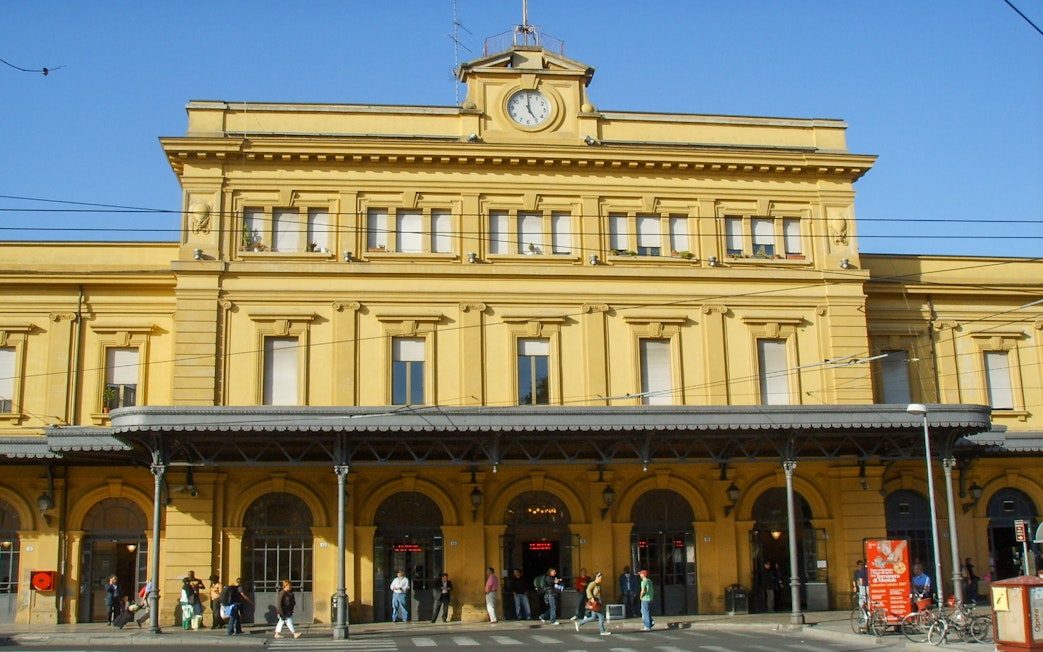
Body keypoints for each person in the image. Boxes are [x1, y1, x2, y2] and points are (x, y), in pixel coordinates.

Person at [574, 571, 611, 636]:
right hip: (594, 603)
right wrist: (591, 598)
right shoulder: (593, 583)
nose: (601, 579)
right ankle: (602, 631)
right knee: (601, 616)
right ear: (597, 578)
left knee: (593, 617)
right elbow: (588, 590)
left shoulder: (598, 585)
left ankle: (579, 623)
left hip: (597, 603)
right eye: (600, 578)